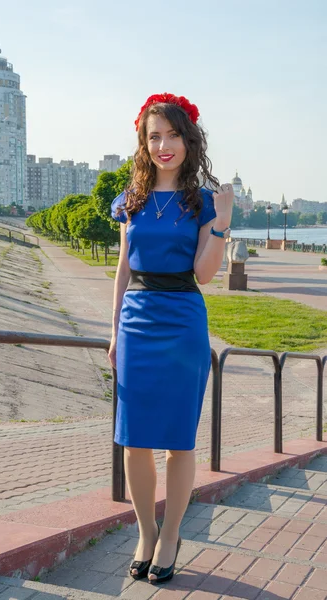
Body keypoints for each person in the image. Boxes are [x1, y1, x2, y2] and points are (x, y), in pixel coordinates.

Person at [108, 92, 234, 585]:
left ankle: (172, 533)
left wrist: (221, 223)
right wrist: (113, 331)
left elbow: (204, 275)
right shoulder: (131, 198)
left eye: (173, 135)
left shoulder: (203, 201)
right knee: (134, 440)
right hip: (136, 322)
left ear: (189, 139)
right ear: (143, 140)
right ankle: (145, 530)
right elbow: (122, 269)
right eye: (154, 135)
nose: (164, 145)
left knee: (179, 442)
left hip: (182, 322)